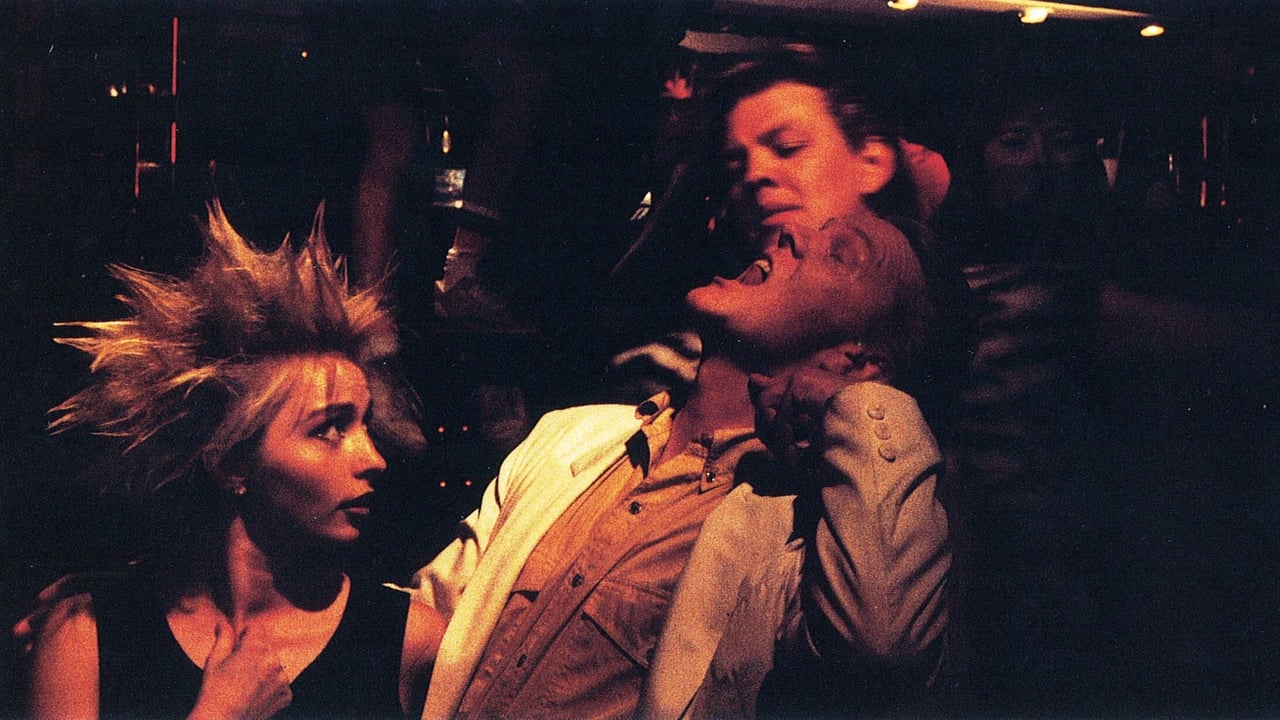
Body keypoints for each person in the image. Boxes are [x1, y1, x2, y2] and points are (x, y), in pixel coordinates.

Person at [410, 47, 970, 720]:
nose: (756, 176)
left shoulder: (837, 518)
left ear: (872, 162)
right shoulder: (583, 432)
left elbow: (879, 639)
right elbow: (441, 628)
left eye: (787, 146)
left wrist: (858, 402)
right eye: (736, 164)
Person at [25, 202, 445, 719]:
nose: (374, 458)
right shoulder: (86, 635)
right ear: (231, 464)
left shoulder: (410, 643)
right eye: (329, 429)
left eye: (365, 424)